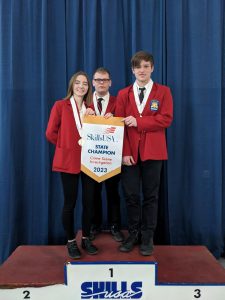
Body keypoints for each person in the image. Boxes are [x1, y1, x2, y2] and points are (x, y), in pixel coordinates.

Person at [115, 51, 173, 256]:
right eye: (138, 66)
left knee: (151, 197)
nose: (142, 70)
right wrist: (123, 152)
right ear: (133, 70)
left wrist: (139, 121)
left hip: (153, 153)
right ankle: (133, 234)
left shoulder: (163, 91)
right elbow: (118, 126)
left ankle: (148, 237)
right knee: (131, 196)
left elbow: (165, 119)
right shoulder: (123, 94)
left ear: (152, 68)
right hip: (129, 155)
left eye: (146, 66)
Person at [46, 71, 98, 259]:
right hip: (68, 161)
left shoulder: (90, 109)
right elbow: (50, 133)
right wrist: (65, 146)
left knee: (89, 203)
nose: (81, 86)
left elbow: (98, 134)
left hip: (89, 161)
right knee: (70, 203)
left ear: (88, 88)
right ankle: (70, 241)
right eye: (78, 83)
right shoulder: (60, 105)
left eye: (85, 83)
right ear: (72, 85)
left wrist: (97, 118)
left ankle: (85, 238)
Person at [86, 67, 124, 242]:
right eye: (98, 80)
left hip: (112, 157)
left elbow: (125, 124)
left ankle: (115, 225)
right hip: (90, 157)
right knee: (92, 193)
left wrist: (115, 117)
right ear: (93, 82)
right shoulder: (84, 103)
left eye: (105, 80)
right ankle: (94, 225)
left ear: (110, 83)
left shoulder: (118, 102)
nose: (101, 83)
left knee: (112, 193)